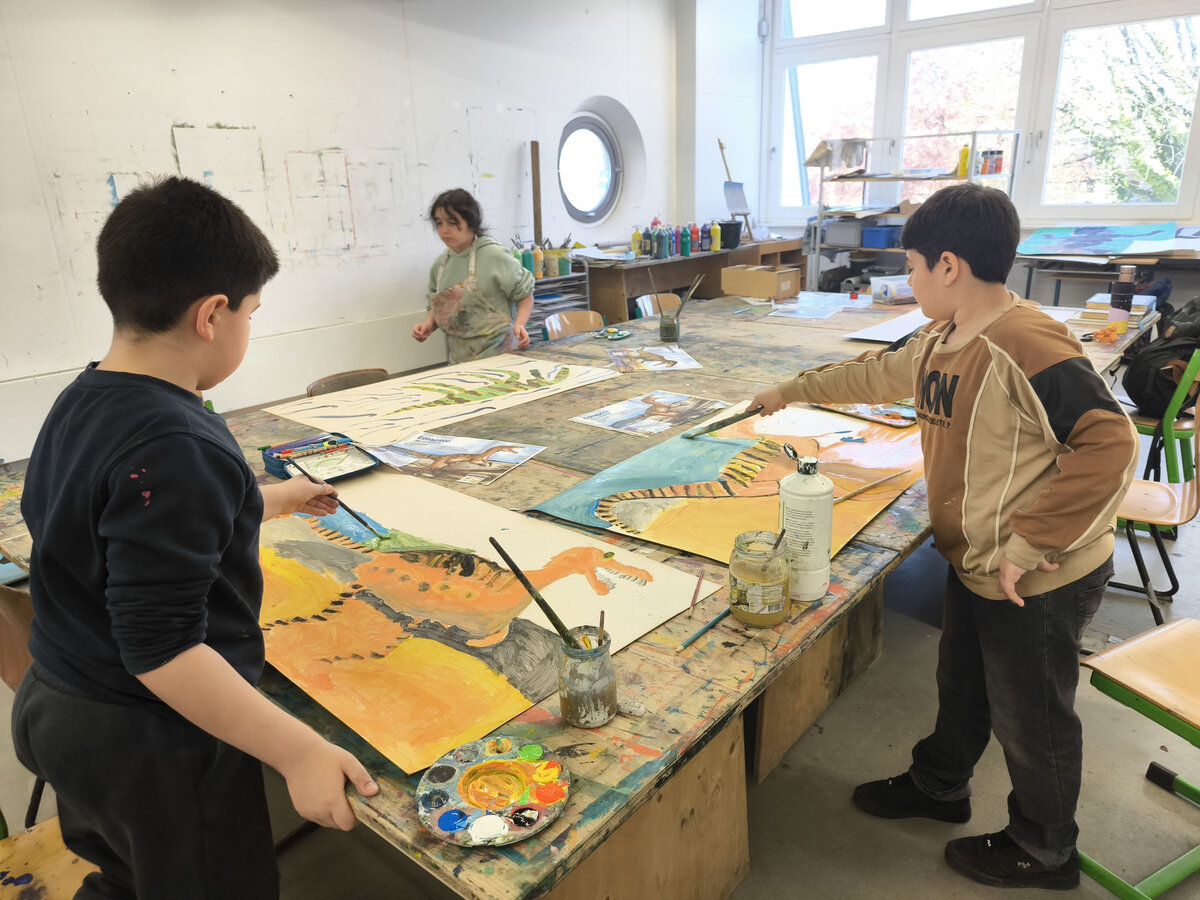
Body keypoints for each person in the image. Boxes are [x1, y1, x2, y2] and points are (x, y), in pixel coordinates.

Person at [751, 183, 1138, 892]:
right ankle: (939, 785)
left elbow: (1109, 444)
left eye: (913, 267)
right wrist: (793, 390)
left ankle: (1045, 849)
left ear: (949, 266)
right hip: (979, 560)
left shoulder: (1024, 342)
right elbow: (878, 372)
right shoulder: (942, 337)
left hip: (1036, 574)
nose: (910, 281)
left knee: (1032, 717)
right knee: (962, 683)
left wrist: (1028, 543)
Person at [12, 176, 379, 899]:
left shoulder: (84, 399)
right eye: (251, 313)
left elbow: (115, 523)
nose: (249, 327)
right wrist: (298, 752)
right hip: (148, 740)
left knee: (128, 874)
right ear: (212, 314)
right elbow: (163, 650)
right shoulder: (178, 443)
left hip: (59, 701)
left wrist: (267, 499)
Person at [411, 188, 536, 363]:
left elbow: (525, 296)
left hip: (501, 357)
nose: (444, 230)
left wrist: (520, 325)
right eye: (439, 223)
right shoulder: (440, 266)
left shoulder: (494, 255)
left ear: (471, 221)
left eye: (452, 222)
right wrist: (428, 325)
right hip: (459, 361)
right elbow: (434, 306)